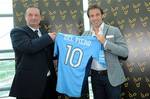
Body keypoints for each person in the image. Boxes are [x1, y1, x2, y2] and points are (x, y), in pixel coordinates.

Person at [9, 6, 58, 99]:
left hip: (48, 82)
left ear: (40, 18)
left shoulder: (44, 32)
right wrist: (48, 37)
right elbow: (29, 47)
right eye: (30, 15)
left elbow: (51, 53)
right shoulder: (17, 32)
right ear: (25, 17)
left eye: (36, 15)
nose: (33, 17)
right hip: (29, 84)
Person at [82, 4, 128, 99]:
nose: (95, 18)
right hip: (95, 78)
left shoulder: (114, 30)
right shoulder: (85, 35)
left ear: (102, 15)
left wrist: (105, 42)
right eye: (92, 16)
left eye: (97, 14)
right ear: (89, 18)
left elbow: (124, 52)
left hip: (112, 77)